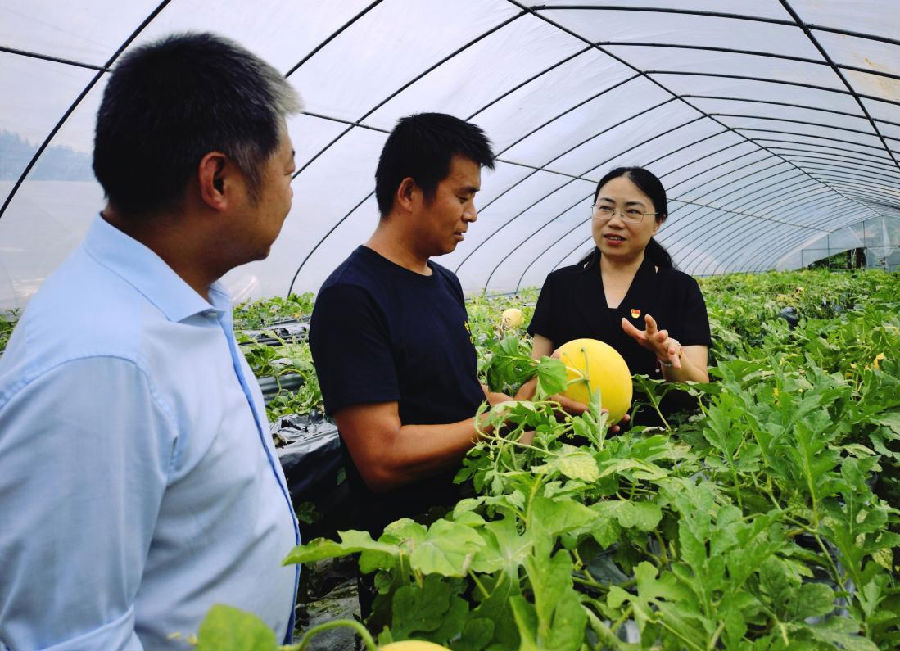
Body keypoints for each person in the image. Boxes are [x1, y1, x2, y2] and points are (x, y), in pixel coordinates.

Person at [0, 33, 302, 650]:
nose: (291, 193)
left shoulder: (178, 299)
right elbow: (71, 637)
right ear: (218, 180)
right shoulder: (101, 362)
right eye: (287, 170)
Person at [308, 112, 509, 539]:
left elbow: (456, 392)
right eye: (463, 196)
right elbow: (381, 458)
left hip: (474, 527)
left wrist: (526, 404)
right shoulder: (352, 297)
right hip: (411, 552)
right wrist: (496, 422)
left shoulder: (445, 283)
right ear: (409, 192)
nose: (472, 214)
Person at [517, 166, 710, 420]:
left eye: (632, 212)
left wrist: (668, 357)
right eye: (605, 208)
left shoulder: (680, 289)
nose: (615, 221)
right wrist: (551, 402)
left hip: (656, 446)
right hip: (564, 444)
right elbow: (535, 375)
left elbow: (698, 389)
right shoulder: (560, 284)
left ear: (658, 222)